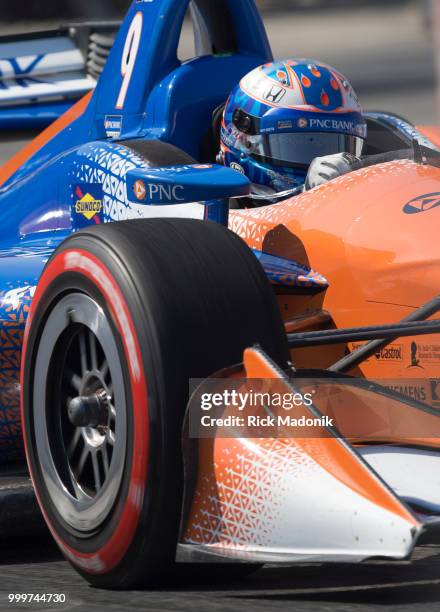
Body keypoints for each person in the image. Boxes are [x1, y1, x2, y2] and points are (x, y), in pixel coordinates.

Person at [218, 59, 368, 204]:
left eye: (330, 145)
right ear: (243, 141)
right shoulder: (211, 213)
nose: (325, 170)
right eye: (298, 145)